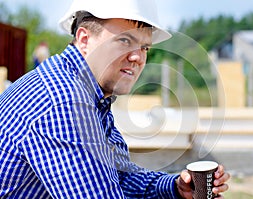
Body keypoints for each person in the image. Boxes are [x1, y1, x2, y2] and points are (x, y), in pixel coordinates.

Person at [0, 0, 230, 198]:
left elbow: (117, 177)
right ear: (84, 39)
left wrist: (174, 189)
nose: (137, 57)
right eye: (124, 41)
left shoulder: (89, 94)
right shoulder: (63, 102)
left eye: (144, 47)